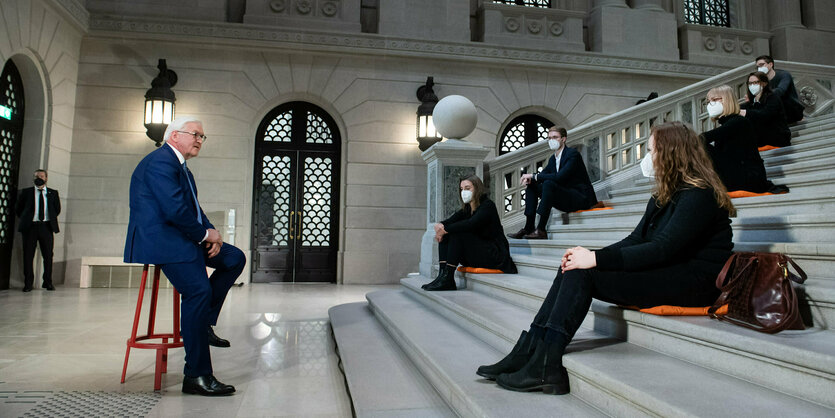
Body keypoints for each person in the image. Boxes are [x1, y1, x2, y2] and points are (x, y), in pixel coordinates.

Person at [476, 121, 735, 395]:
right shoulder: (665, 195)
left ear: (671, 153)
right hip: (670, 269)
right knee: (573, 265)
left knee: (583, 271)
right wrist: (590, 255)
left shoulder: (699, 194)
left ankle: (546, 365)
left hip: (695, 282)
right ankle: (530, 349)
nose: (647, 158)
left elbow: (663, 248)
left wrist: (596, 262)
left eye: (651, 150)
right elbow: (635, 240)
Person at [124, 116, 245, 396]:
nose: (200, 140)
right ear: (174, 135)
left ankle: (203, 324)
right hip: (162, 241)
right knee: (198, 291)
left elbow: (192, 208)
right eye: (196, 134)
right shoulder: (160, 162)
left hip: (182, 236)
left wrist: (210, 230)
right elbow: (174, 210)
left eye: (203, 136)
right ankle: (197, 375)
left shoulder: (183, 168)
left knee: (234, 258)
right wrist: (204, 236)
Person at [422, 175, 517, 291]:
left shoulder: (487, 205)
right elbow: (449, 221)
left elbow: (471, 224)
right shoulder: (467, 209)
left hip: (494, 255)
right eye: (461, 189)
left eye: (467, 188)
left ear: (477, 189)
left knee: (457, 233)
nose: (463, 192)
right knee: (447, 234)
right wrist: (440, 226)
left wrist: (445, 229)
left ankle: (448, 278)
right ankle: (443, 276)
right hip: (478, 253)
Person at [506, 127, 597, 240]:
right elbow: (542, 175)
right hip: (564, 197)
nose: (551, 140)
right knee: (532, 185)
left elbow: (559, 177)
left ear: (563, 139)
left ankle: (541, 229)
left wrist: (534, 176)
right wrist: (532, 179)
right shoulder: (553, 159)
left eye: (555, 137)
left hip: (579, 197)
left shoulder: (572, 154)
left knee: (549, 183)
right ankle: (529, 226)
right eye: (549, 138)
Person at [701, 85, 785, 194]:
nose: (710, 104)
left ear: (727, 100)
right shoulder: (727, 124)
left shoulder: (738, 121)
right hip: (738, 172)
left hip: (750, 178)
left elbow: (702, 138)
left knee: (699, 144)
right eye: (708, 101)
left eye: (714, 100)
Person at [15, 169, 60, 292]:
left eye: (41, 176)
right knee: (28, 255)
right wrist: (28, 220)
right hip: (30, 228)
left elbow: (57, 210)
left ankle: (48, 282)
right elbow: (19, 210)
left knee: (48, 255)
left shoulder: (52, 193)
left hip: (46, 227)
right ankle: (28, 283)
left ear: (46, 178)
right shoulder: (26, 192)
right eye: (36, 176)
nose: (39, 178)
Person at [740, 72, 791, 148]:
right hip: (761, 140)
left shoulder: (773, 97)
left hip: (777, 138)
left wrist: (746, 113)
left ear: (764, 83)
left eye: (756, 82)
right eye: (750, 83)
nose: (752, 85)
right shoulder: (750, 103)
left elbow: (766, 115)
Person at [754, 55, 804, 124]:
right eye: (757, 67)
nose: (759, 68)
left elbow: (780, 91)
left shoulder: (784, 75)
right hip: (777, 115)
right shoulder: (761, 82)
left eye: (761, 65)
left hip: (792, 110)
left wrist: (762, 95)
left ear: (771, 64)